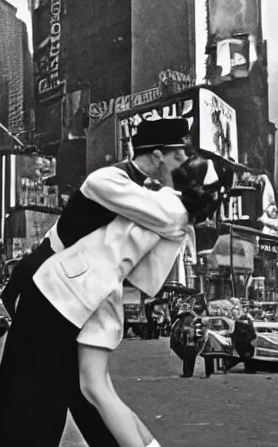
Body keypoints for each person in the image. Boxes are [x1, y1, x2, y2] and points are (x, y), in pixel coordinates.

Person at [0, 118, 195, 447]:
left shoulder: (139, 191)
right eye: (179, 156)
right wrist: (186, 195)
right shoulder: (108, 180)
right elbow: (172, 218)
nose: (184, 164)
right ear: (156, 156)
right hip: (47, 285)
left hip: (79, 294)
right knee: (37, 390)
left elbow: (144, 271)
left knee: (79, 389)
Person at [69, 156, 226, 447]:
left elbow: (97, 185)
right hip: (106, 292)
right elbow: (147, 282)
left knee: (94, 388)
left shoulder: (162, 205)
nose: (167, 162)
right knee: (97, 388)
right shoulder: (182, 225)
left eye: (177, 161)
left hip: (93, 287)